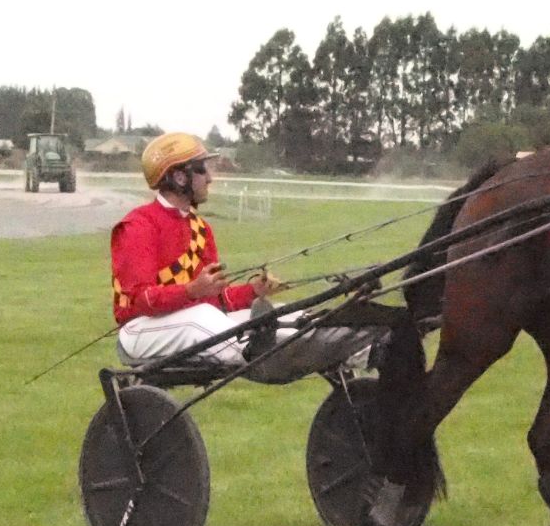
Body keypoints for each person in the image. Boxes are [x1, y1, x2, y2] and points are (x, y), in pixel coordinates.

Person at [110, 132, 374, 380]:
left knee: (282, 315)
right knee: (204, 317)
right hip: (140, 329)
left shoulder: (200, 229)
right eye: (202, 170)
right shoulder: (138, 226)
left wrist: (254, 291)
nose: (210, 178)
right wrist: (191, 290)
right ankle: (264, 355)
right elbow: (140, 299)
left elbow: (218, 301)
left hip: (192, 320)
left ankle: (362, 347)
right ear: (179, 177)